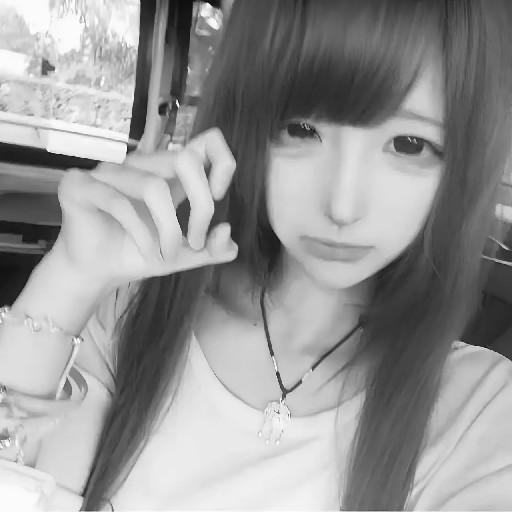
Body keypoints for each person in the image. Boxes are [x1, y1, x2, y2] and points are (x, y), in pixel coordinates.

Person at [1, 0, 512, 510]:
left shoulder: (479, 411)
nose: (342, 205)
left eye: (409, 144)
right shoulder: (131, 313)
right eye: (301, 130)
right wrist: (70, 279)